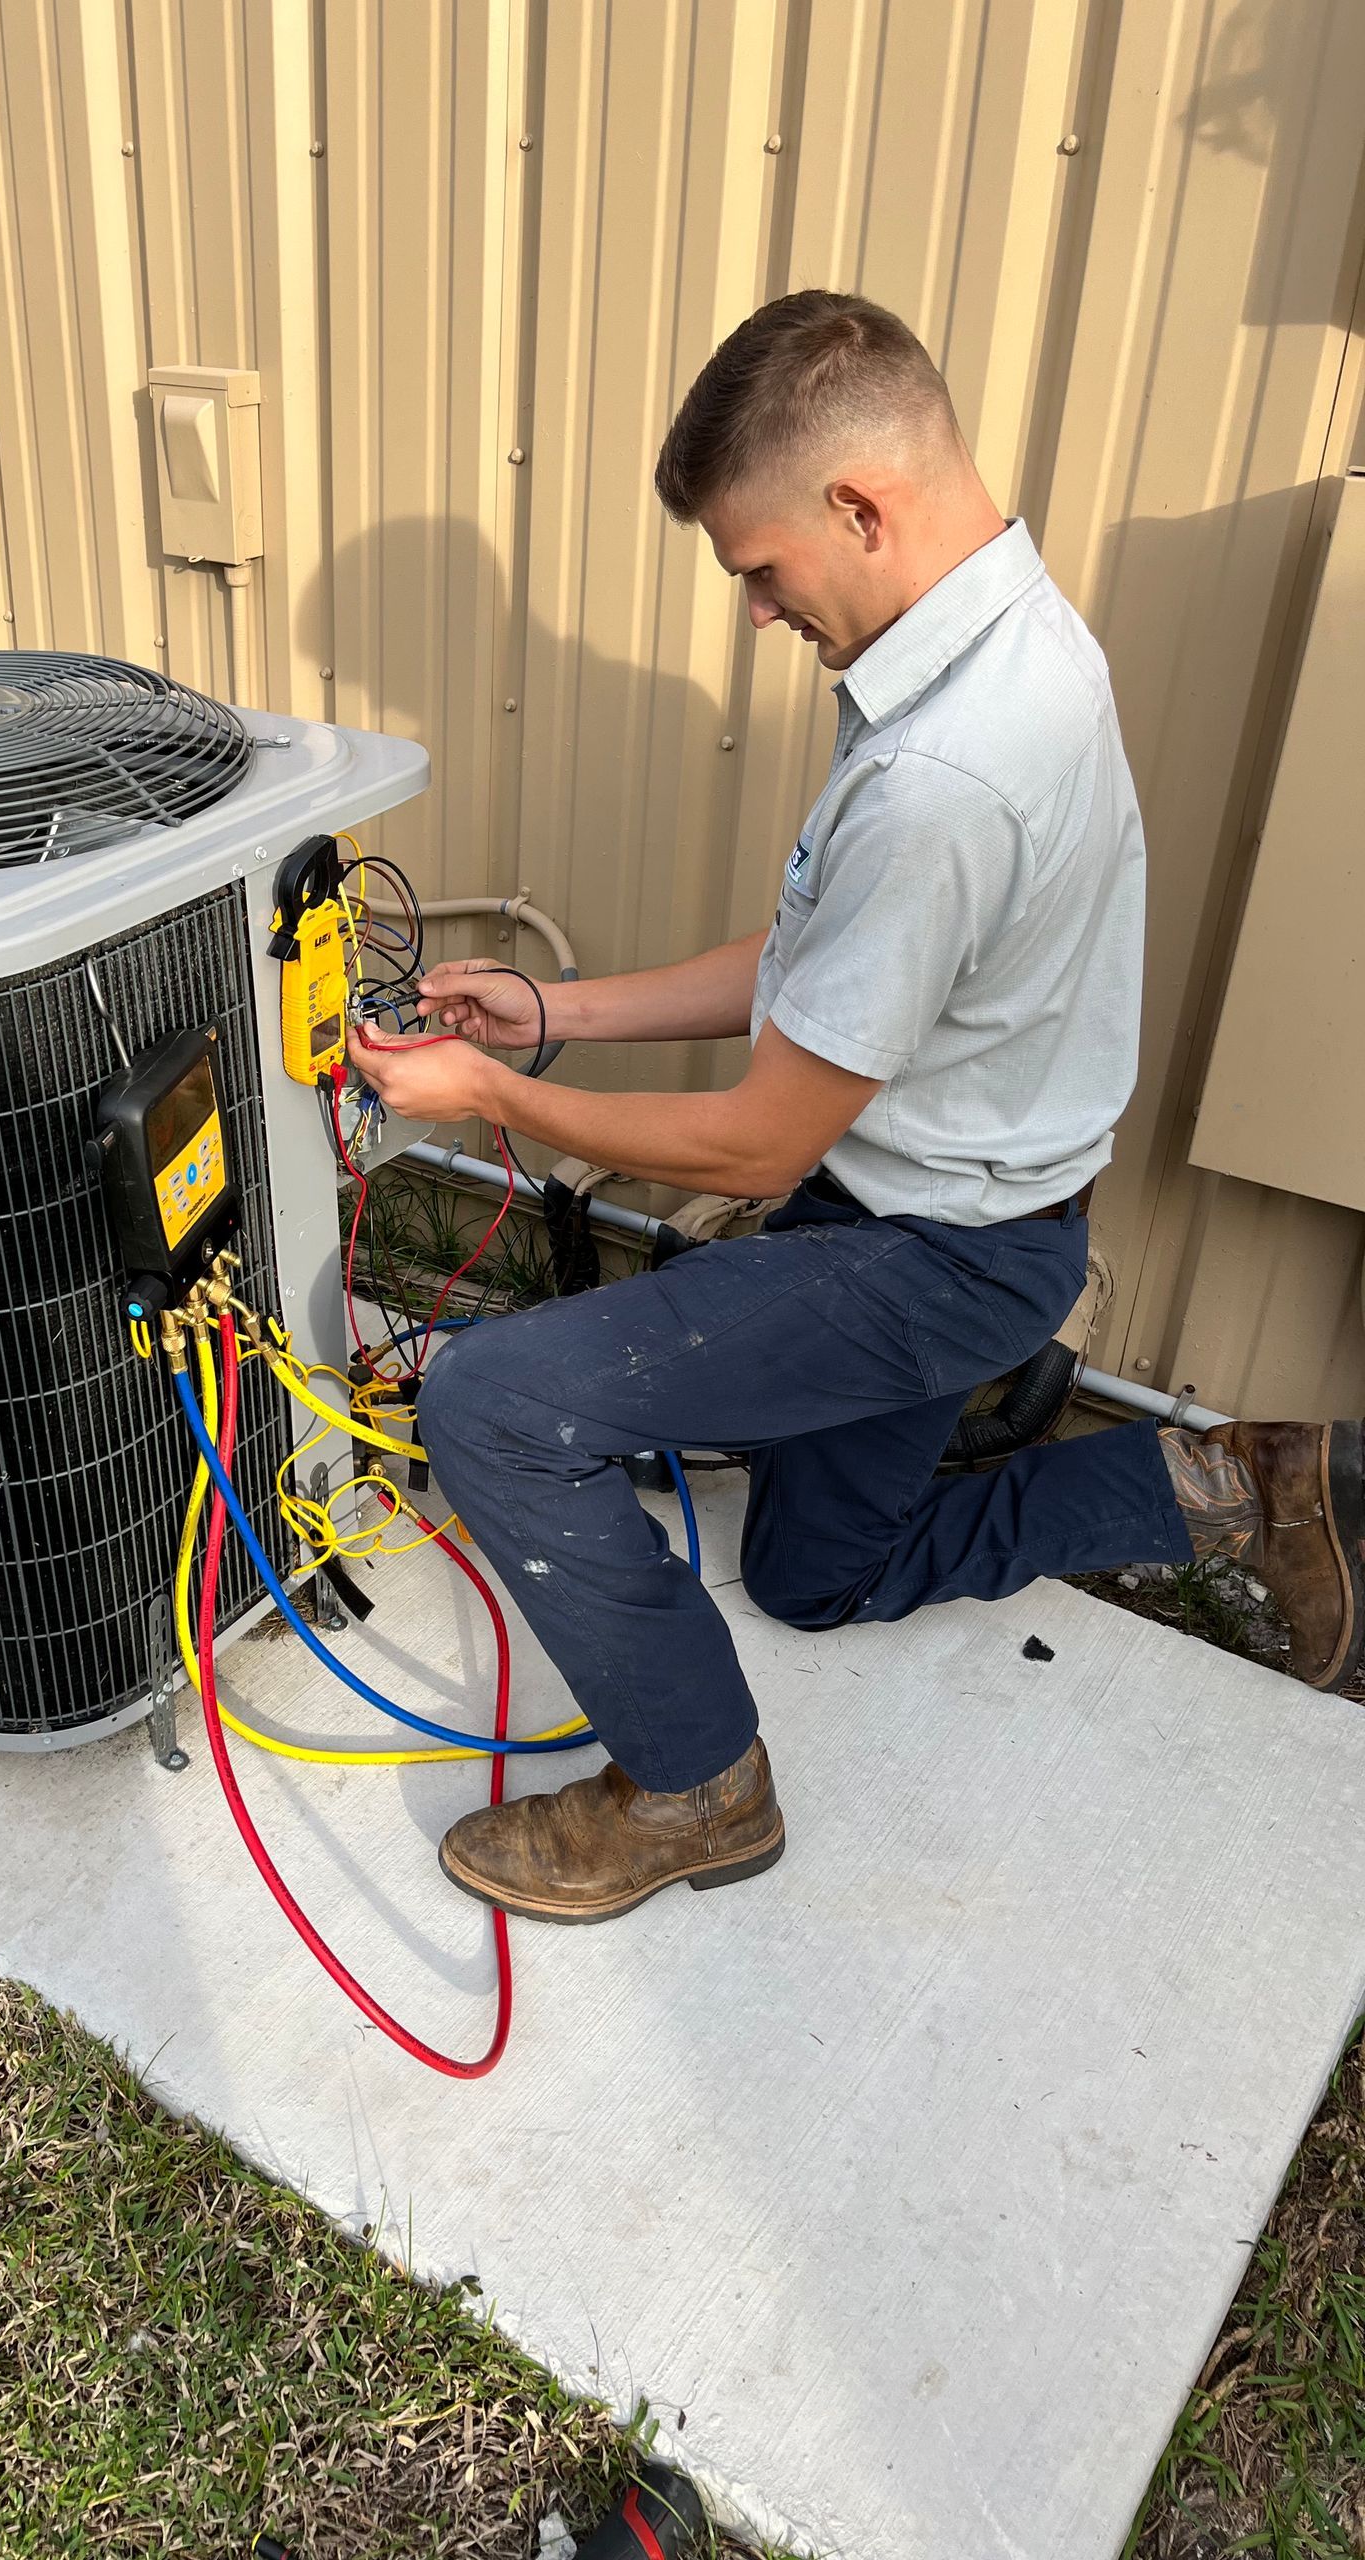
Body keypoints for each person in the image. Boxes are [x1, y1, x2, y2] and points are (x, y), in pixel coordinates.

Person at [349, 289, 1362, 1927]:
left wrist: (480, 1095)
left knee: (497, 1407)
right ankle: (1226, 1484)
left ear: (860, 506)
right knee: (818, 1581)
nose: (756, 609)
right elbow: (825, 967)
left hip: (932, 1257)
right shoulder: (1011, 642)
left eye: (758, 567)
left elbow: (759, 1142)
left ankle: (693, 1789)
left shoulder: (944, 773)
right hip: (974, 1218)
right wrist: (553, 1012)